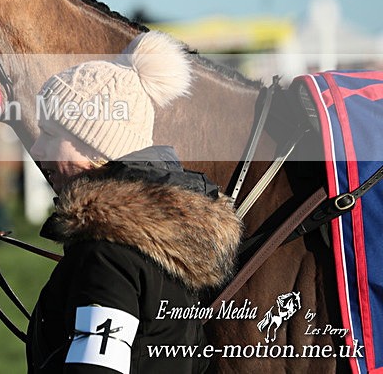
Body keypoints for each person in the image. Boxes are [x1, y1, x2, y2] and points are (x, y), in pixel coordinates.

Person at [26, 31, 243, 373]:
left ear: (95, 147)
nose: (37, 150)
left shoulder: (107, 253)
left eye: (51, 134)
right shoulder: (171, 243)